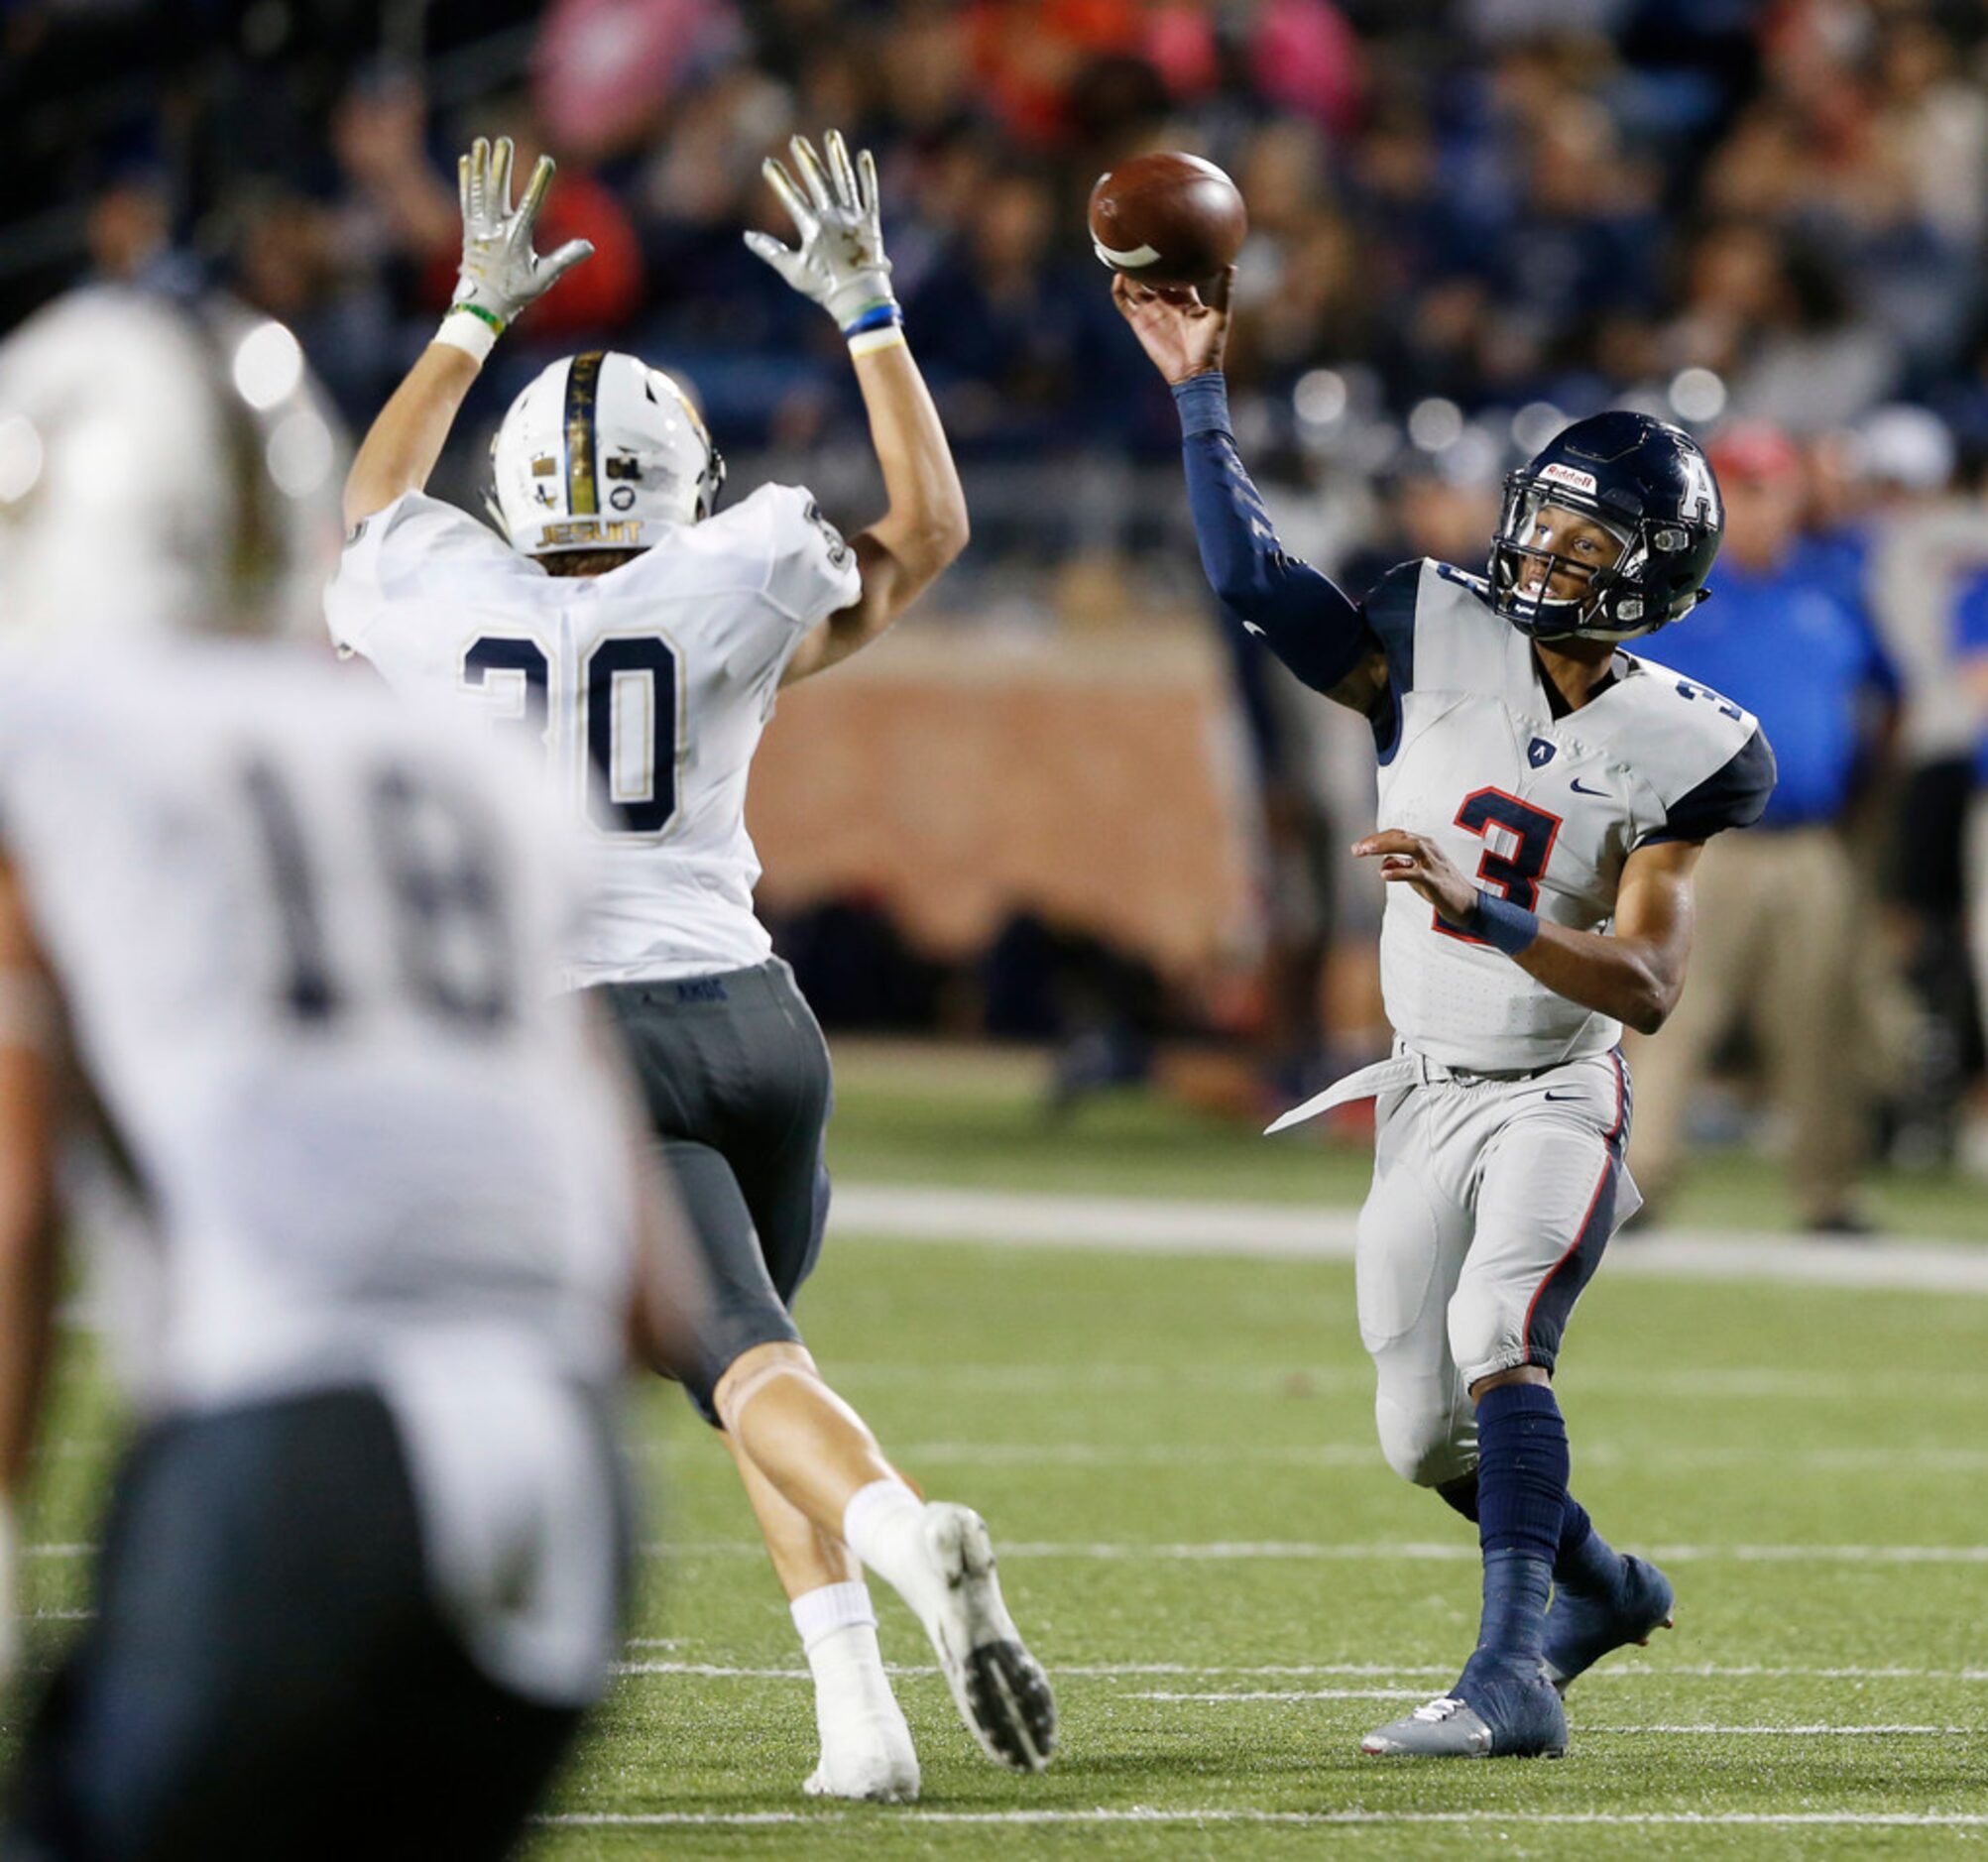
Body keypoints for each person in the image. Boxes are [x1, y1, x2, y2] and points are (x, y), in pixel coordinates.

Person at [325, 135, 1053, 1799]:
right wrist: (871, 311)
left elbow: (372, 503)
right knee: (754, 1346)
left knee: (735, 1353)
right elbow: (929, 531)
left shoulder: (437, 594)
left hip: (582, 1027)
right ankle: (858, 1724)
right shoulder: (736, 576)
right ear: (684, 481)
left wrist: (468, 312)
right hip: (752, 1011)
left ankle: (898, 1526)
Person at [0, 283, 708, 1860]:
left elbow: (12, 1202)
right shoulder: (461, 766)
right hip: (566, 1502)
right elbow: (647, 1296)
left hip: (294, 1450)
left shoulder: (51, 730)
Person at [1113, 269, 1775, 1760]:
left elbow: (1652, 985)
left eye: (1581, 535)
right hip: (1419, 1087)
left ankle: (1507, 1682)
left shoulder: (1690, 744)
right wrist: (1196, 397)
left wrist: (1481, 907)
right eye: (1538, 514)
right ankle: (1598, 1587)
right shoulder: (1429, 627)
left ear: (1645, 569)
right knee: (1418, 1435)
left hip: (1555, 1090)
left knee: (1498, 1326)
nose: (1539, 545)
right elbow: (1252, 581)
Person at [1625, 421, 1905, 1232]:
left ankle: (1827, 1190)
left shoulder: (1830, 588)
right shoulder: (1677, 595)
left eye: (1767, 488)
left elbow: (1890, 697)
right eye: (1739, 490)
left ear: (1791, 494)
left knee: (1819, 1018)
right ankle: (1640, 1179)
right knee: (1673, 1011)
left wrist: (1858, 790)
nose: (1755, 507)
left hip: (1811, 839)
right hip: (1702, 841)